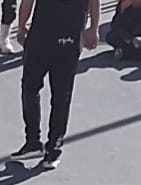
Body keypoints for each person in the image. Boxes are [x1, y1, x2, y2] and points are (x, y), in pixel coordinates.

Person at [12, 0, 99, 170]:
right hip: (66, 38)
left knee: (33, 88)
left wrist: (21, 27)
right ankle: (49, 146)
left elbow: (27, 2)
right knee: (60, 95)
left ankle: (38, 142)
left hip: (44, 37)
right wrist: (94, 28)